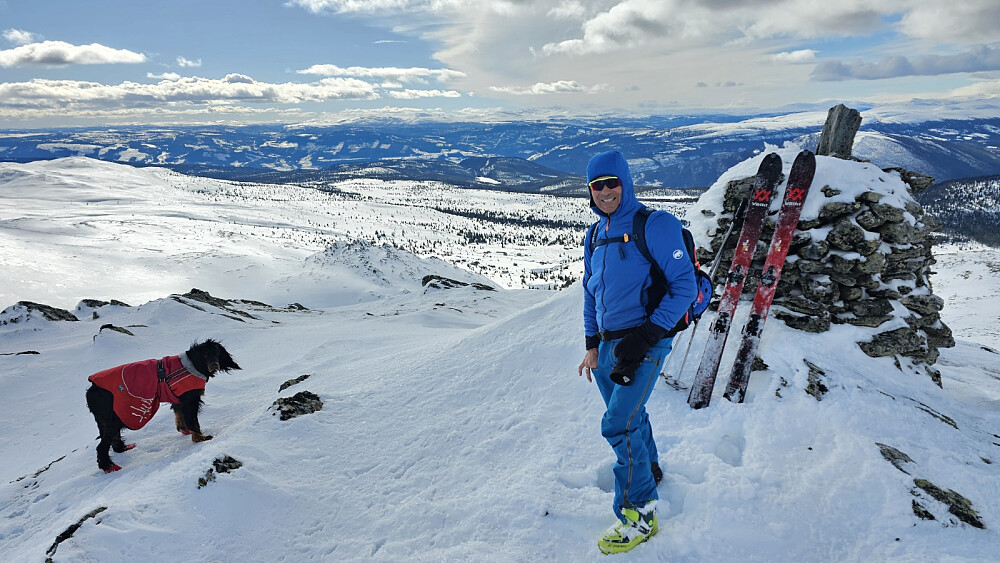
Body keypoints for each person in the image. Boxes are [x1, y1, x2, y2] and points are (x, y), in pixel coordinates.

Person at [577, 150, 697, 555]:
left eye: (612, 183)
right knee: (632, 416)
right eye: (597, 185)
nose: (605, 191)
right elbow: (590, 293)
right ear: (590, 191)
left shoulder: (655, 225)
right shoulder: (594, 234)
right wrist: (592, 345)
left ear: (626, 183)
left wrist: (646, 336)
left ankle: (639, 513)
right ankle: (650, 469)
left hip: (645, 342)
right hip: (608, 345)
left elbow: (685, 287)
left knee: (617, 425)